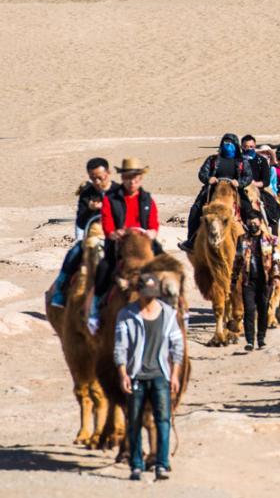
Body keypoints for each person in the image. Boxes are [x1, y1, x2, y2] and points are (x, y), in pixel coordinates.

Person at [114, 273, 184, 482]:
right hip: (136, 375)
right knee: (134, 421)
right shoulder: (127, 315)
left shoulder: (168, 314)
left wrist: (175, 375)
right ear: (139, 292)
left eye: (153, 294)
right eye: (146, 294)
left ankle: (161, 463)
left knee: (163, 420)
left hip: (160, 376)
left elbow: (177, 345)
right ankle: (136, 464)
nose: (149, 298)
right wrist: (123, 374)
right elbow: (120, 347)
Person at [93, 158, 161, 332]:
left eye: (135, 178)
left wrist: (152, 232)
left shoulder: (147, 199)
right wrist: (114, 233)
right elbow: (107, 223)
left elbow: (153, 223)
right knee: (103, 269)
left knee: (167, 266)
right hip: (120, 245)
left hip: (144, 244)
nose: (132, 182)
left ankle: (173, 307)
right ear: (122, 178)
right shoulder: (111, 199)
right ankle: (95, 310)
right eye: (128, 177)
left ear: (141, 178)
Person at [49, 158, 120, 308]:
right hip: (93, 235)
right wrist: (89, 209)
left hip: (116, 236)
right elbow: (81, 220)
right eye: (93, 178)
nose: (97, 182)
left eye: (100, 177)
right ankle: (60, 290)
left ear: (108, 173)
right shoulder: (87, 193)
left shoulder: (119, 191)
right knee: (74, 253)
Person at [180, 133, 251, 252]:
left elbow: (248, 176)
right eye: (225, 142)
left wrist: (239, 183)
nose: (228, 145)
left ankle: (250, 239)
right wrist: (208, 179)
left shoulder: (242, 161)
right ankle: (191, 240)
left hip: (234, 191)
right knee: (195, 210)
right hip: (213, 189)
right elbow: (202, 173)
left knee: (249, 210)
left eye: (230, 143)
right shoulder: (213, 159)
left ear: (236, 145)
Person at [232, 210, 280, 350]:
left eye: (255, 222)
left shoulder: (271, 239)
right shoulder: (242, 239)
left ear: (260, 222)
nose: (252, 224)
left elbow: (276, 259)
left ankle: (261, 339)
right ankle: (249, 341)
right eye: (250, 222)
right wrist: (233, 279)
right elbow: (238, 260)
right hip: (249, 280)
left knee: (263, 309)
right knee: (249, 310)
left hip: (265, 280)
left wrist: (276, 277)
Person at [241, 135, 280, 251]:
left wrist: (254, 184)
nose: (249, 149)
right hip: (240, 191)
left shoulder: (261, 161)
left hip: (258, 191)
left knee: (274, 211)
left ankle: (275, 240)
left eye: (251, 146)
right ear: (242, 147)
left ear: (255, 146)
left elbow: (266, 181)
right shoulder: (237, 161)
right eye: (246, 147)